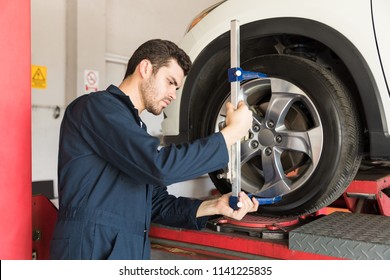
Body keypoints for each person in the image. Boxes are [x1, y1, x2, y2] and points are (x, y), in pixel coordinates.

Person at [50, 39, 258, 260]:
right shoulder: (96, 107)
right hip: (91, 249)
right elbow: (160, 167)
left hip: (124, 250)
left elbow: (156, 205)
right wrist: (233, 133)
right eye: (170, 82)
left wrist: (214, 205)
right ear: (145, 68)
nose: (173, 94)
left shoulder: (135, 128)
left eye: (176, 88)